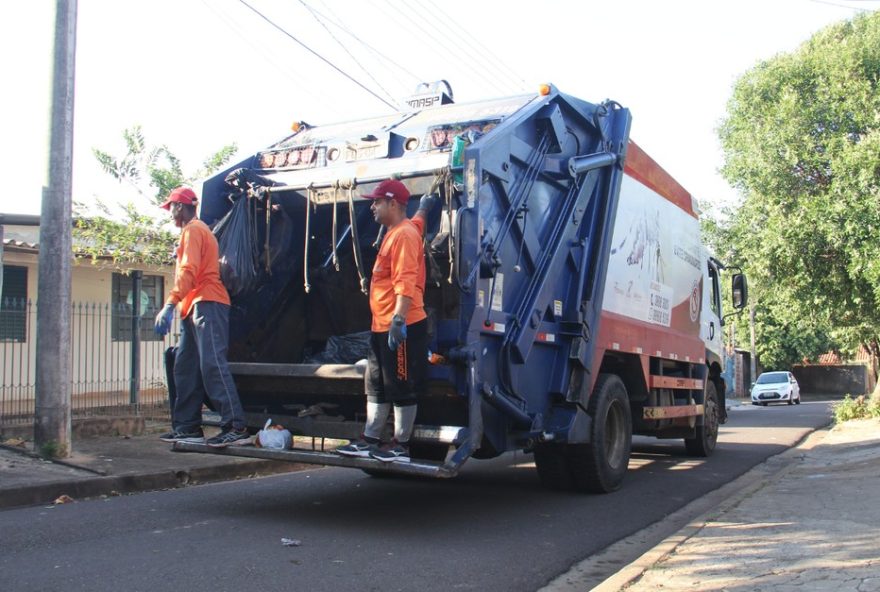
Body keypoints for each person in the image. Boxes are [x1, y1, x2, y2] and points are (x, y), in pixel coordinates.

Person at [337, 179, 438, 463]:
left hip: (401, 325)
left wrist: (398, 319)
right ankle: (369, 439)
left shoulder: (403, 235)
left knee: (401, 386)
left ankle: (401, 445)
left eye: (377, 201)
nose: (372, 206)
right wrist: (425, 209)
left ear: (393, 204)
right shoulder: (401, 230)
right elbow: (418, 221)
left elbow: (405, 281)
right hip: (381, 325)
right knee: (377, 385)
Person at [154, 187, 251, 448]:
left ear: (180, 206)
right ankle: (187, 427)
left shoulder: (194, 230)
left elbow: (188, 270)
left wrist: (170, 303)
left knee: (212, 365)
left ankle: (236, 426)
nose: (169, 214)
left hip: (208, 302)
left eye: (170, 208)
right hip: (194, 306)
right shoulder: (194, 232)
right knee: (185, 369)